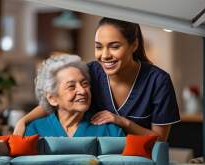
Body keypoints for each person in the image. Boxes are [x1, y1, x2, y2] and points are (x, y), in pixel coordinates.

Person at [16, 17, 180, 141]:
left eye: (114, 46)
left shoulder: (158, 81)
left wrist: (123, 122)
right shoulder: (91, 72)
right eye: (99, 47)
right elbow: (58, 98)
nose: (105, 55)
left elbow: (159, 140)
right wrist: (24, 120)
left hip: (144, 160)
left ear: (134, 45)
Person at [24, 54, 124, 137]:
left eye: (85, 84)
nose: (82, 91)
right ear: (52, 98)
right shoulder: (34, 131)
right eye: (71, 86)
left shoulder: (111, 131)